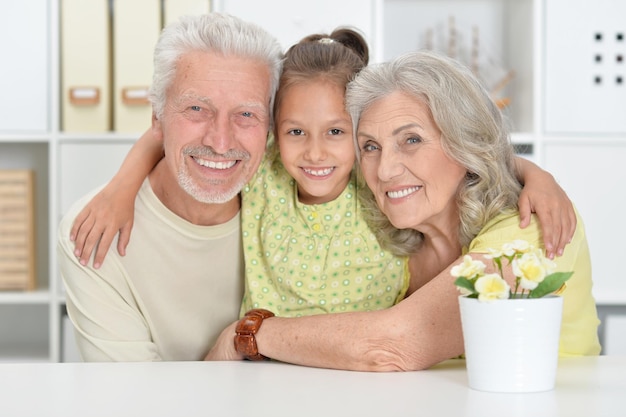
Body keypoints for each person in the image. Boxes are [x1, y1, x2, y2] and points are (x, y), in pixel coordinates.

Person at [203, 51, 601, 370]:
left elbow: (394, 344)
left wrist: (250, 333)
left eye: (411, 140)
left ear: (466, 143)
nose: (385, 170)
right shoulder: (397, 238)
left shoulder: (529, 230)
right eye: (371, 146)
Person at [57, 13, 284, 361]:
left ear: (270, 129)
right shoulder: (93, 231)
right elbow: (134, 400)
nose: (221, 142)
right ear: (157, 118)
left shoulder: (296, 200)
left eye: (246, 114)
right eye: (196, 108)